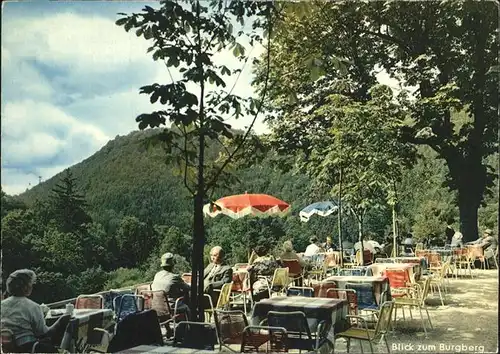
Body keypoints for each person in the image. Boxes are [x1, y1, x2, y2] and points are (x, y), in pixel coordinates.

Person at [1, 269, 71, 353]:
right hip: (28, 348)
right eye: (31, 284)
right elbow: (43, 333)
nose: (32, 287)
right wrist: (61, 320)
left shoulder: (2, 304)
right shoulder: (33, 306)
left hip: (7, 349)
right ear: (25, 287)